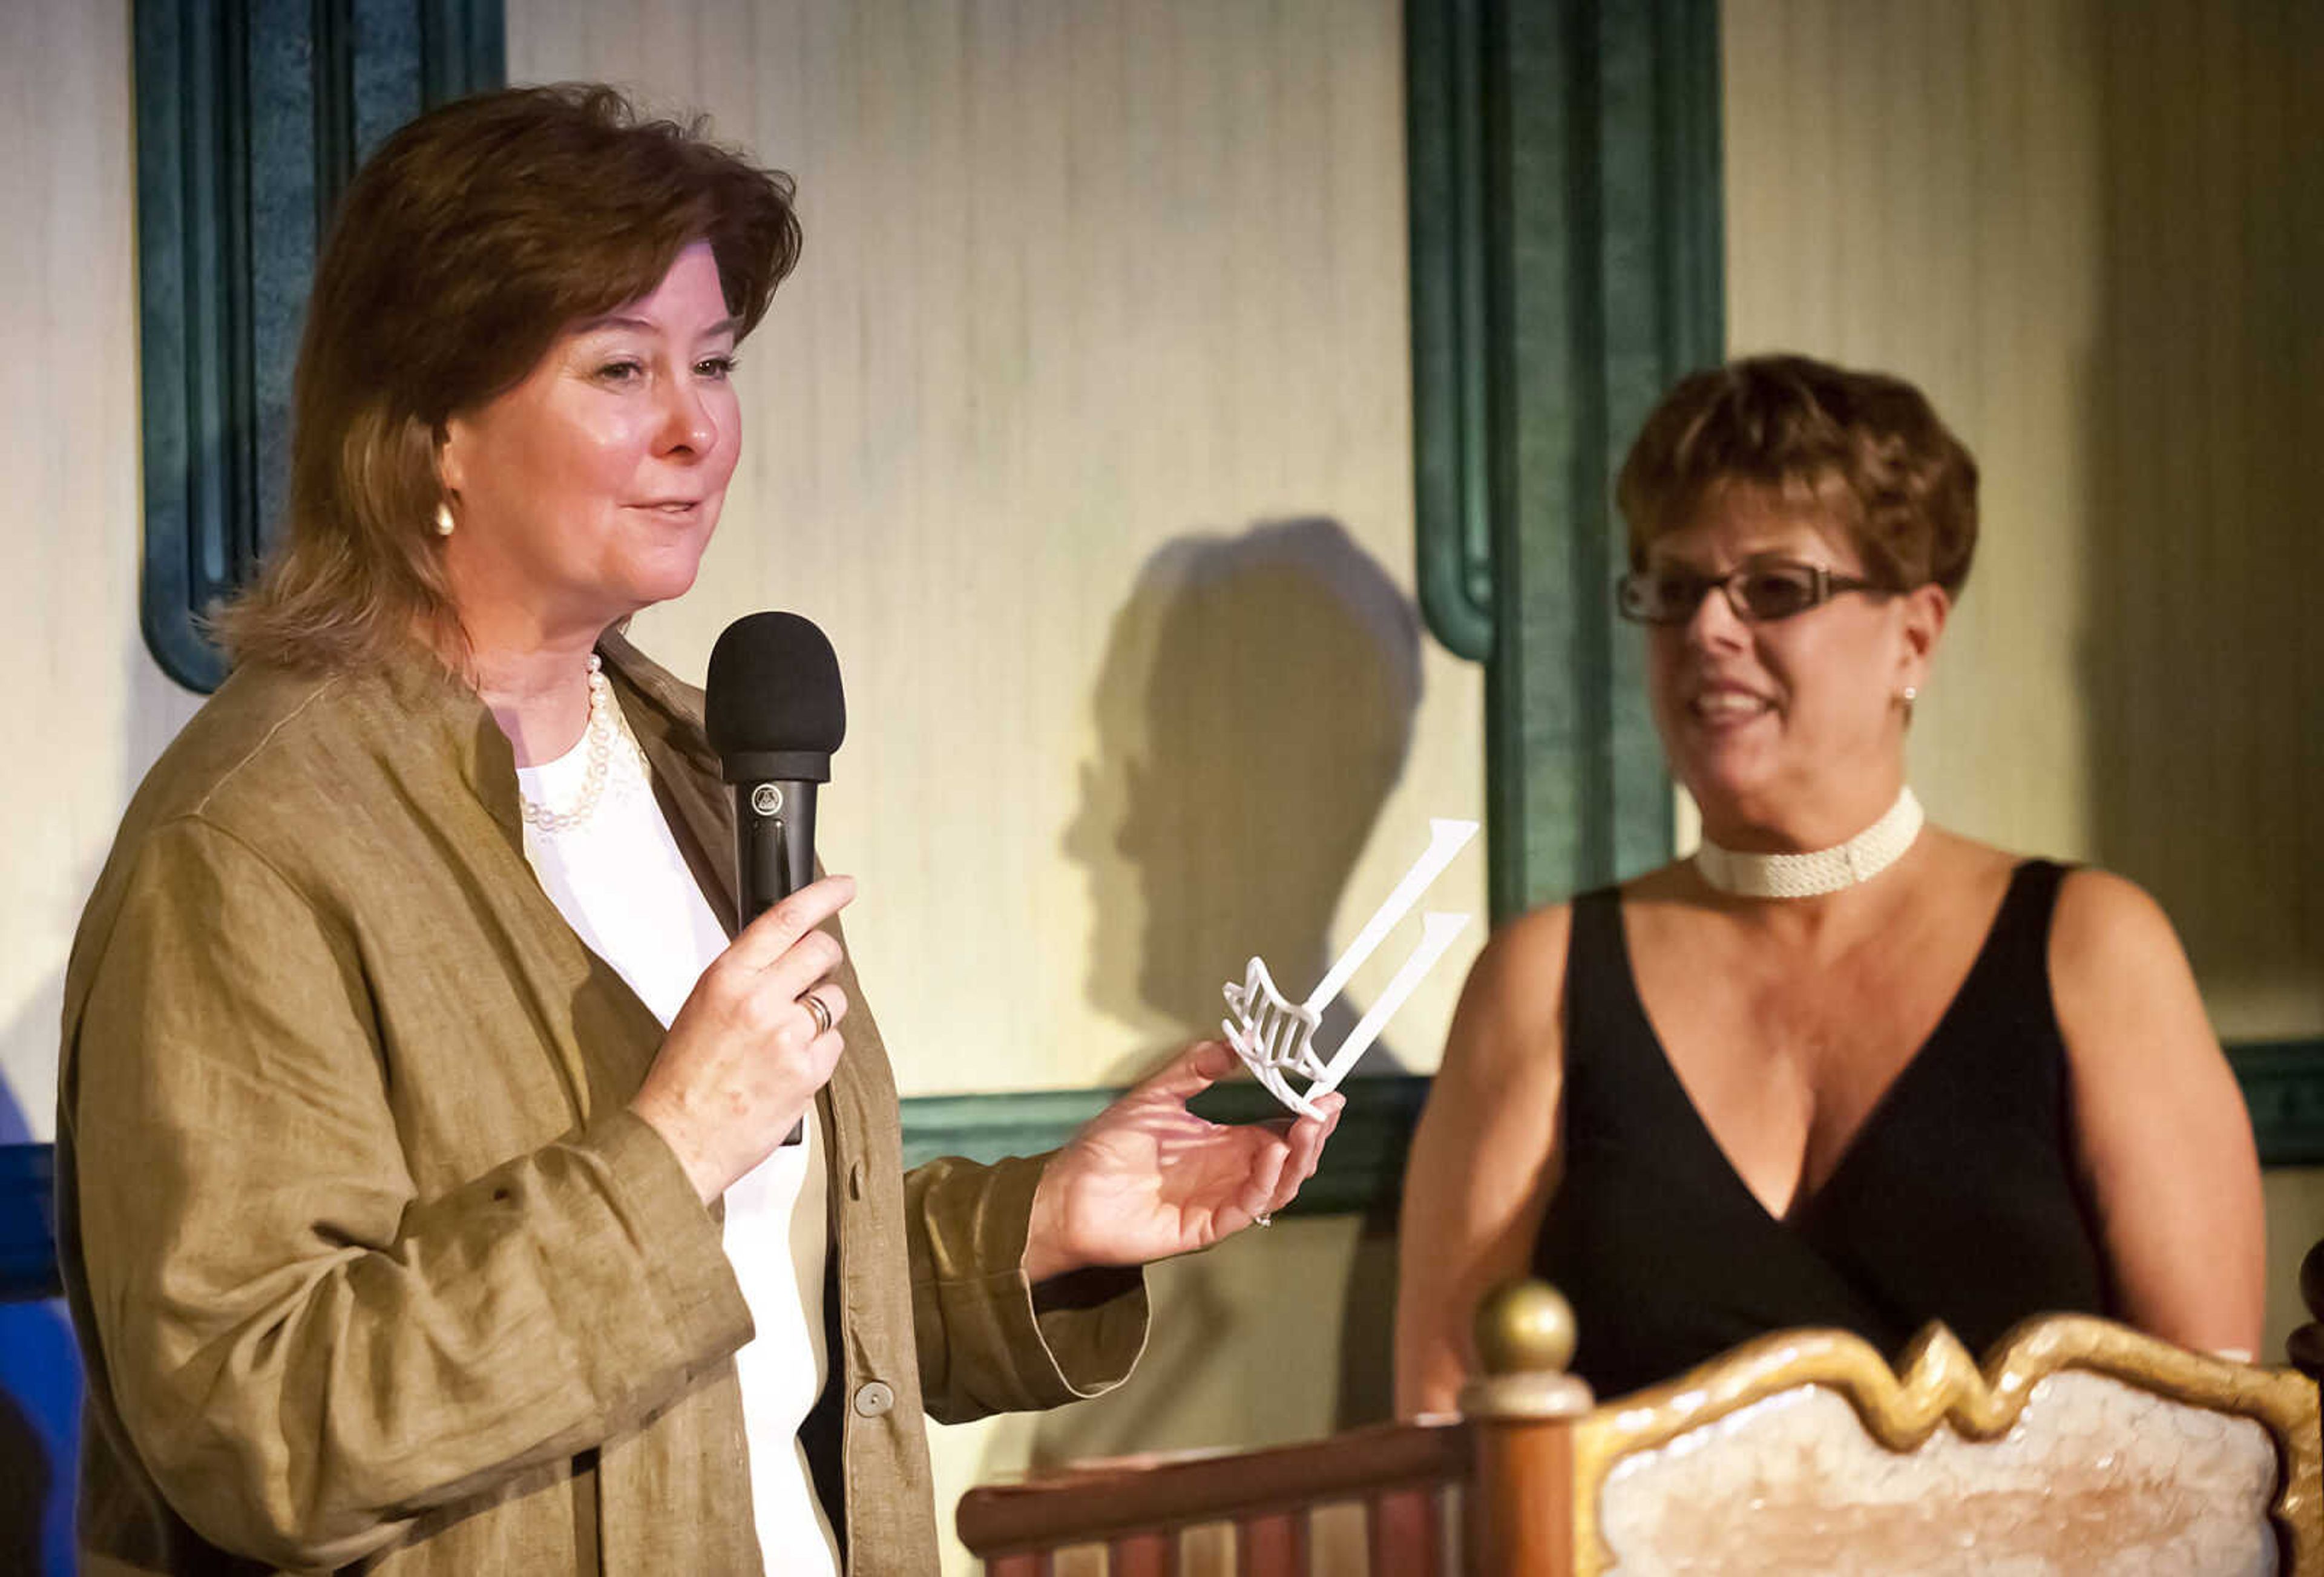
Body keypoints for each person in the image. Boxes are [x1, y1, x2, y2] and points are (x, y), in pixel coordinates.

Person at [57, 85, 1338, 1575]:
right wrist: (667, 1152)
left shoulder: (695, 771)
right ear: (430, 436)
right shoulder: (252, 848)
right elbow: (262, 1422)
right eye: (619, 368)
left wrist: (1048, 1223)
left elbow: (756, 1301)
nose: (696, 430)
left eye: (714, 363)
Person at [1394, 353, 2263, 1411]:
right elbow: (1443, 1436)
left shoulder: (2092, 947)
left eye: (1773, 587)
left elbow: (2226, 1442)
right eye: (1674, 589)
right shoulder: (1541, 976)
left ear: (1916, 634)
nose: (1707, 630)